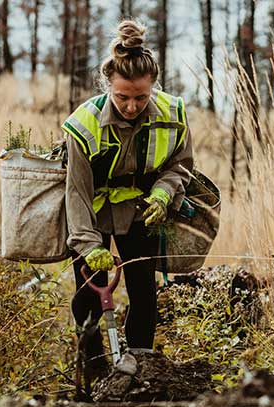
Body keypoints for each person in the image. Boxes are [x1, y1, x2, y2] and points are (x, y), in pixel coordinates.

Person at [62, 19, 193, 373]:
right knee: (87, 299)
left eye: (141, 97)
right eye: (122, 97)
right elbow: (76, 193)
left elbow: (181, 165)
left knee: (144, 296)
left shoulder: (173, 114)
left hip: (140, 212)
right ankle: (93, 375)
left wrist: (164, 195)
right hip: (92, 214)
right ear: (107, 86)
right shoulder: (83, 124)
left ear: (153, 87)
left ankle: (141, 370)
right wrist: (89, 247)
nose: (132, 106)